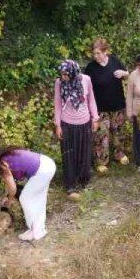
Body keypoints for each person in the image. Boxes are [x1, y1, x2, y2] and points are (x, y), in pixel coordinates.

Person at [0, 146, 56, 242]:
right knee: (39, 198)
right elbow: (10, 183)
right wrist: (6, 196)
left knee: (25, 198)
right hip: (47, 163)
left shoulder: (1, 164)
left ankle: (34, 231)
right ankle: (39, 229)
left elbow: (13, 188)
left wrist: (9, 200)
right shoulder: (7, 154)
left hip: (42, 170)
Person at [53, 59, 99, 200]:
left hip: (84, 122)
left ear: (73, 72)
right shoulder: (59, 83)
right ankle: (70, 184)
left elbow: (91, 99)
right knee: (68, 154)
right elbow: (58, 104)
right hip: (67, 123)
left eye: (66, 74)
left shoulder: (86, 80)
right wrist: (58, 124)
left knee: (84, 152)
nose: (63, 77)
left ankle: (84, 179)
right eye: (61, 74)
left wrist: (95, 118)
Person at [83, 39, 130, 171]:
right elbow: (85, 87)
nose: (95, 56)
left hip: (117, 105)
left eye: (98, 53)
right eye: (94, 54)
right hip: (99, 108)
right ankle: (101, 160)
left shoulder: (115, 61)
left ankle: (119, 154)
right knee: (100, 135)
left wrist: (124, 74)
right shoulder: (90, 68)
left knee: (118, 132)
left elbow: (127, 74)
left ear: (106, 52)